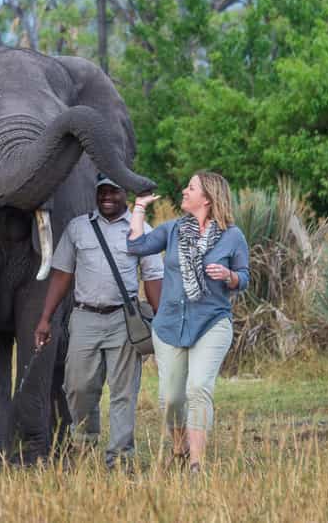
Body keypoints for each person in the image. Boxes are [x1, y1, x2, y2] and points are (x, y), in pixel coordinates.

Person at [34, 175, 163, 470]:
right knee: (78, 386)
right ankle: (85, 441)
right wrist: (45, 318)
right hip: (84, 317)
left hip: (124, 319)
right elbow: (62, 274)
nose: (107, 196)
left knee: (123, 391)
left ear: (124, 195)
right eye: (102, 191)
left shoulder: (140, 229)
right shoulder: (78, 228)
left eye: (113, 191)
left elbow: (154, 277)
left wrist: (162, 322)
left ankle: (119, 458)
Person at [126, 171, 250, 473]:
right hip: (169, 325)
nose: (184, 191)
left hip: (211, 322)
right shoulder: (172, 230)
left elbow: (244, 278)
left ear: (207, 197)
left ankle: (196, 463)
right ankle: (179, 446)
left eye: (190, 188)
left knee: (198, 388)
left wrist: (230, 276)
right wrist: (140, 208)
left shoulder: (232, 236)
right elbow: (136, 246)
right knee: (170, 398)